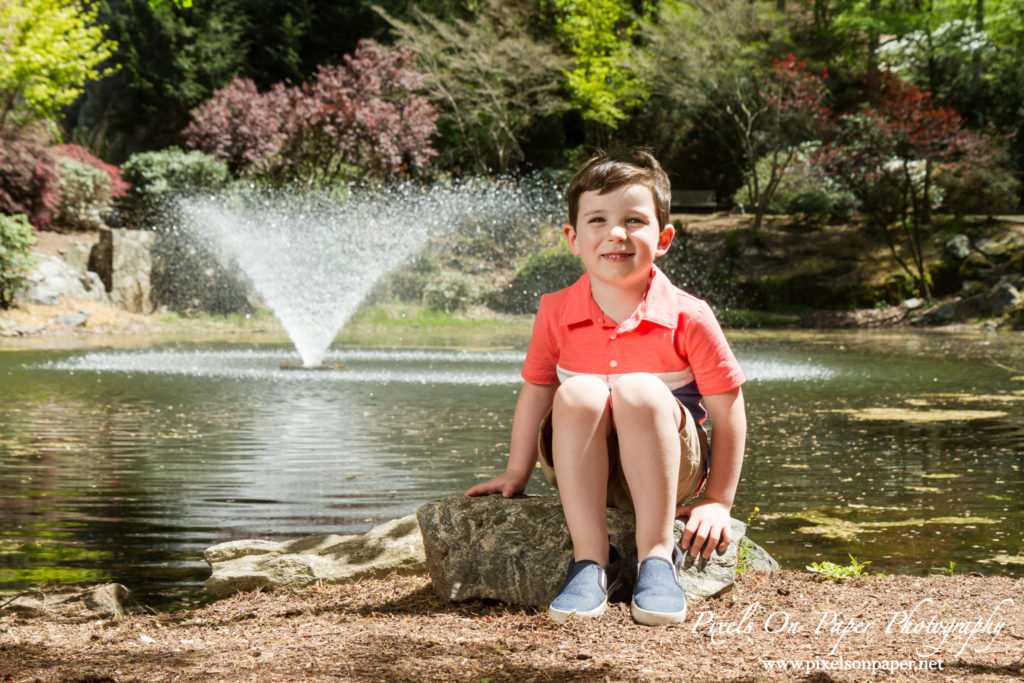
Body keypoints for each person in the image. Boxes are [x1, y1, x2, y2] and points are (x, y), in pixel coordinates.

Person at [466, 149, 746, 626]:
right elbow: (536, 393)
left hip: (670, 469)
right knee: (576, 393)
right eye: (598, 220)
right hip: (582, 466)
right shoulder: (555, 311)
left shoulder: (688, 315)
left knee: (637, 389)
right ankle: (592, 562)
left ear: (663, 238)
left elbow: (728, 410)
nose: (616, 233)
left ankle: (658, 558)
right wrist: (517, 472)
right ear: (573, 238)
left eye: (635, 220)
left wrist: (718, 501)